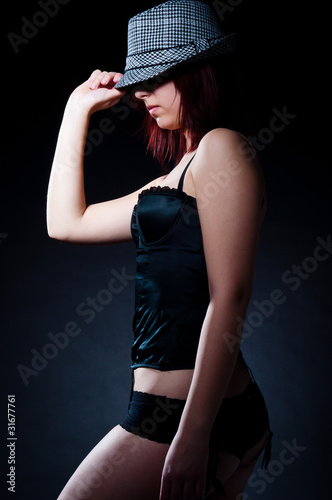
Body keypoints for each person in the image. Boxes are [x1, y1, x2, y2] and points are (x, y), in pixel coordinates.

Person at [47, 1, 272, 499]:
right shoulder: (174, 178)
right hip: (185, 412)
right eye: (138, 78)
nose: (141, 90)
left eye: (158, 74)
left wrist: (193, 435)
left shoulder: (222, 147)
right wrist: (75, 110)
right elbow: (65, 224)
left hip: (189, 415)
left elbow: (230, 297)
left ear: (198, 73)